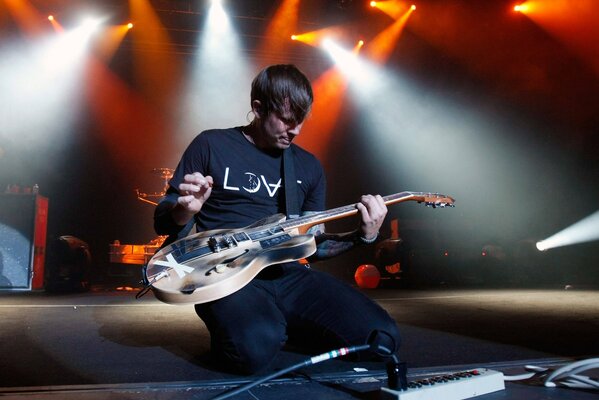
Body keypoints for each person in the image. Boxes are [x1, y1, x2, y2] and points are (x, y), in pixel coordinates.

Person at [154, 64, 401, 374]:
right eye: (286, 119)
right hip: (227, 277)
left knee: (382, 338)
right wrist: (185, 210)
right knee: (251, 353)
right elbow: (162, 221)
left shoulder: (308, 167)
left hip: (288, 275)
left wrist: (364, 235)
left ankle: (279, 325)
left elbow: (316, 245)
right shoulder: (211, 145)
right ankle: (261, 329)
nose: (295, 130)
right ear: (258, 108)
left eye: (301, 120)